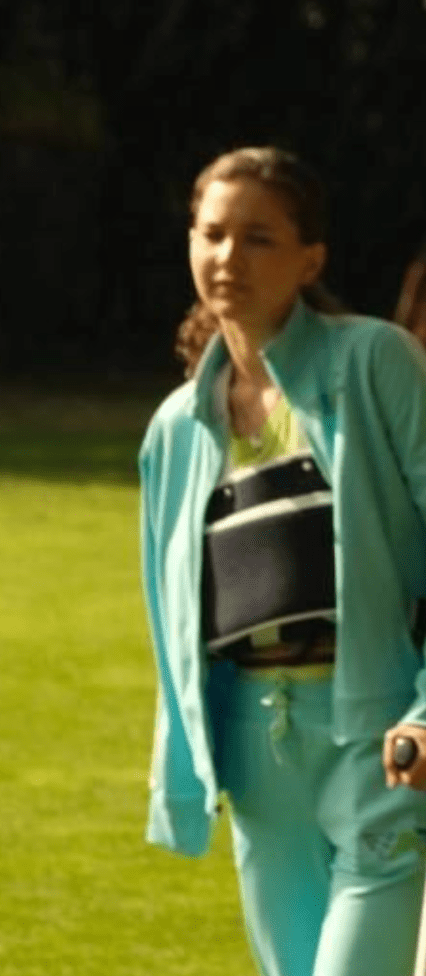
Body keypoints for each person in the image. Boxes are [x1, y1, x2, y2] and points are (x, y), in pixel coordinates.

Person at [139, 145, 426, 976]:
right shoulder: (174, 427)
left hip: (378, 736)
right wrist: (180, 768)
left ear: (310, 259)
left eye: (258, 238)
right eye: (212, 234)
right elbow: (170, 616)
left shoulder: (374, 361)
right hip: (252, 750)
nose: (229, 256)